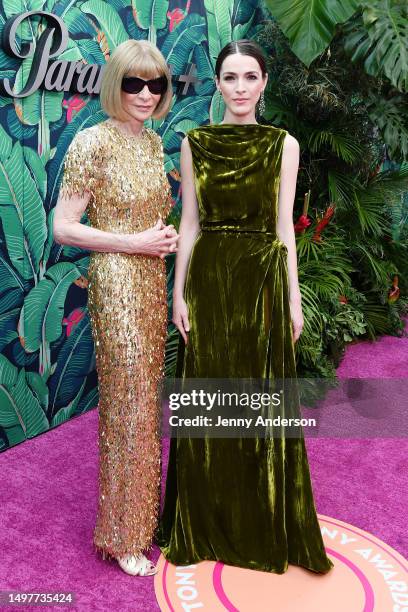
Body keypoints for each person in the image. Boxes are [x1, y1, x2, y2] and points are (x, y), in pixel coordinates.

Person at [156, 39, 334, 575]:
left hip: (260, 279)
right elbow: (189, 225)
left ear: (263, 83)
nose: (239, 88)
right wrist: (179, 292)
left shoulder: (284, 145)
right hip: (209, 280)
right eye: (229, 77)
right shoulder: (195, 143)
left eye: (249, 77)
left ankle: (260, 522)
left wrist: (293, 297)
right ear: (218, 83)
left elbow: (284, 228)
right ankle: (205, 523)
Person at [54, 40, 177, 576]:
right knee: (128, 405)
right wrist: (136, 244)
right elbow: (61, 227)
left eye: (156, 85)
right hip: (117, 281)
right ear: (114, 85)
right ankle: (123, 535)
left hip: (152, 280)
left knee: (145, 404)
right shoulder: (91, 142)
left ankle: (142, 522)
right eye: (134, 83)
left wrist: (162, 241)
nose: (146, 94)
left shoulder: (153, 144)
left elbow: (152, 218)